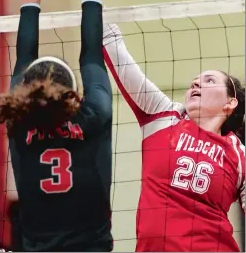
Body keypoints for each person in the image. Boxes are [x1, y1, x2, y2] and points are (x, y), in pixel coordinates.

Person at [0, 0, 123, 251]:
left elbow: (23, 57)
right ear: (73, 93)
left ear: (25, 92)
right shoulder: (93, 115)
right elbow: (93, 56)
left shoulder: (19, 122)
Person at [102, 23, 245, 252]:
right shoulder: (162, 116)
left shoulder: (238, 153)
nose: (196, 83)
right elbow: (111, 43)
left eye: (209, 81)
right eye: (196, 80)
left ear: (230, 103)